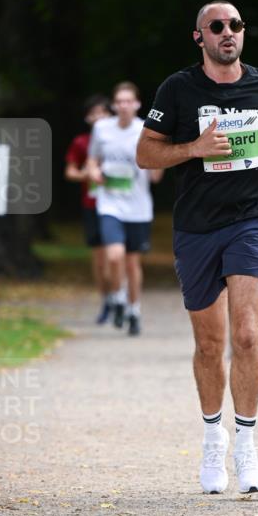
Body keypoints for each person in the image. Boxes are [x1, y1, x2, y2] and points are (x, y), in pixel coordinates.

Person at [137, 0, 258, 493]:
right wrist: (193, 148)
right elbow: (146, 152)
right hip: (195, 227)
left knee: (248, 335)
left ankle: (247, 446)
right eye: (217, 26)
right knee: (210, 344)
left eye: (235, 25)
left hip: (251, 220)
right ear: (200, 37)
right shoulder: (179, 89)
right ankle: (213, 437)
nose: (227, 32)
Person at [87, 82, 163, 335]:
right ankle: (117, 296)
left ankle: (134, 308)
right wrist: (95, 172)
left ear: (137, 104)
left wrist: (157, 163)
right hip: (109, 203)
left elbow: (156, 176)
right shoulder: (101, 129)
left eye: (128, 101)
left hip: (138, 207)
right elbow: (92, 160)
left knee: (132, 264)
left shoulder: (146, 130)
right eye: (119, 101)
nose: (123, 105)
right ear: (113, 105)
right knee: (114, 255)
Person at [64, 94, 112, 323]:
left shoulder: (119, 139)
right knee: (100, 260)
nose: (99, 117)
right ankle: (106, 301)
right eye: (94, 113)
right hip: (92, 204)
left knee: (117, 257)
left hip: (119, 205)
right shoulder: (82, 142)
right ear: (87, 118)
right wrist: (88, 174)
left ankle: (120, 298)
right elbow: (70, 171)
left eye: (103, 112)